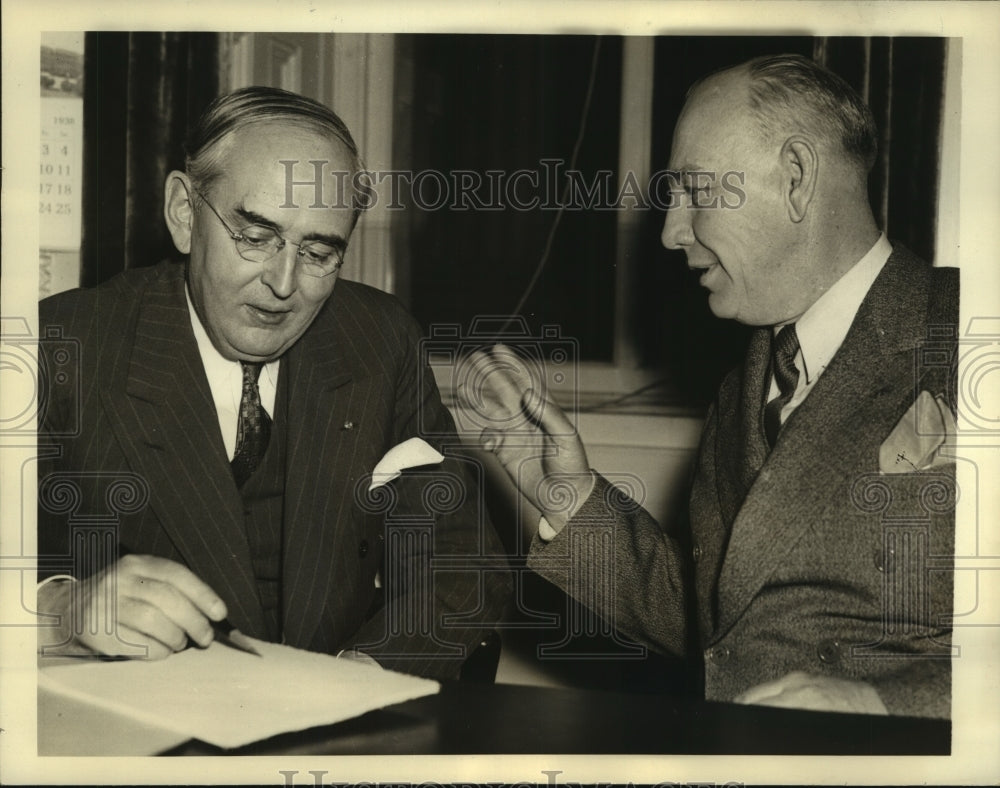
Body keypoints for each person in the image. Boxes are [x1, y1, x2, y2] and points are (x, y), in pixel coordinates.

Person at [459, 54, 957, 717]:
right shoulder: (745, 388)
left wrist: (883, 704)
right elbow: (723, 624)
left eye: (695, 191)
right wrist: (570, 497)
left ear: (797, 179)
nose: (670, 232)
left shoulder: (971, 332)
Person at [36, 86, 511, 681]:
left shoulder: (379, 339)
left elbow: (462, 562)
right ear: (184, 213)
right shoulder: (62, 346)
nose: (284, 284)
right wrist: (58, 612)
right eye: (256, 237)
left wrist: (357, 679)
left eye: (318, 252)